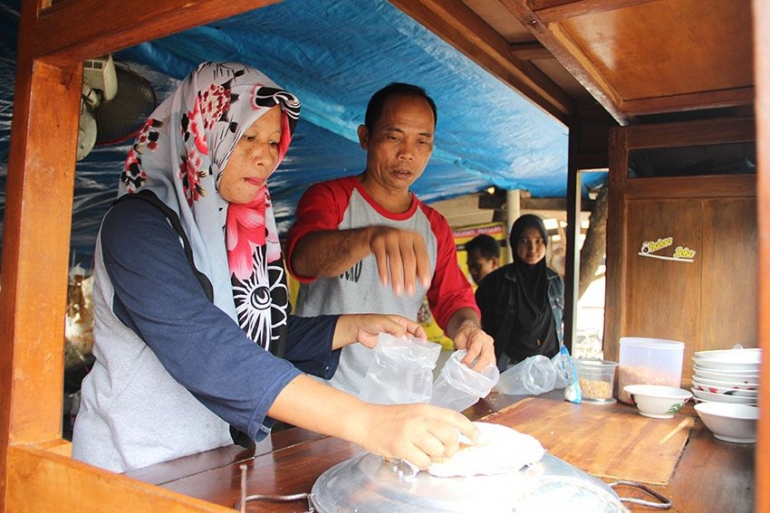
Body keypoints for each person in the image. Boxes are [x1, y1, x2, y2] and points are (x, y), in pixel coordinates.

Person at [71, 63, 478, 474]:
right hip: (133, 463)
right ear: (203, 130)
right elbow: (205, 344)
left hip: (214, 461)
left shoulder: (241, 233)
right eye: (247, 137)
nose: (265, 157)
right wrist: (367, 420)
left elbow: (262, 334)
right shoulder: (136, 226)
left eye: (273, 141)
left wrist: (355, 327)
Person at [285, 83, 495, 395]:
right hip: (318, 391)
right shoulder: (330, 197)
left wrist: (468, 328)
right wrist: (369, 238)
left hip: (391, 394)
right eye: (394, 137)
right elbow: (302, 258)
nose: (407, 153)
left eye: (422, 141)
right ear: (365, 137)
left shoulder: (433, 226)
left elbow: (453, 300)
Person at [474, 214, 565, 372]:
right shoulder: (495, 283)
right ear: (514, 242)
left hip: (549, 366)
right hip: (509, 367)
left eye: (538, 241)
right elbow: (482, 326)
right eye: (524, 241)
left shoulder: (555, 281)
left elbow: (561, 321)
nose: (532, 248)